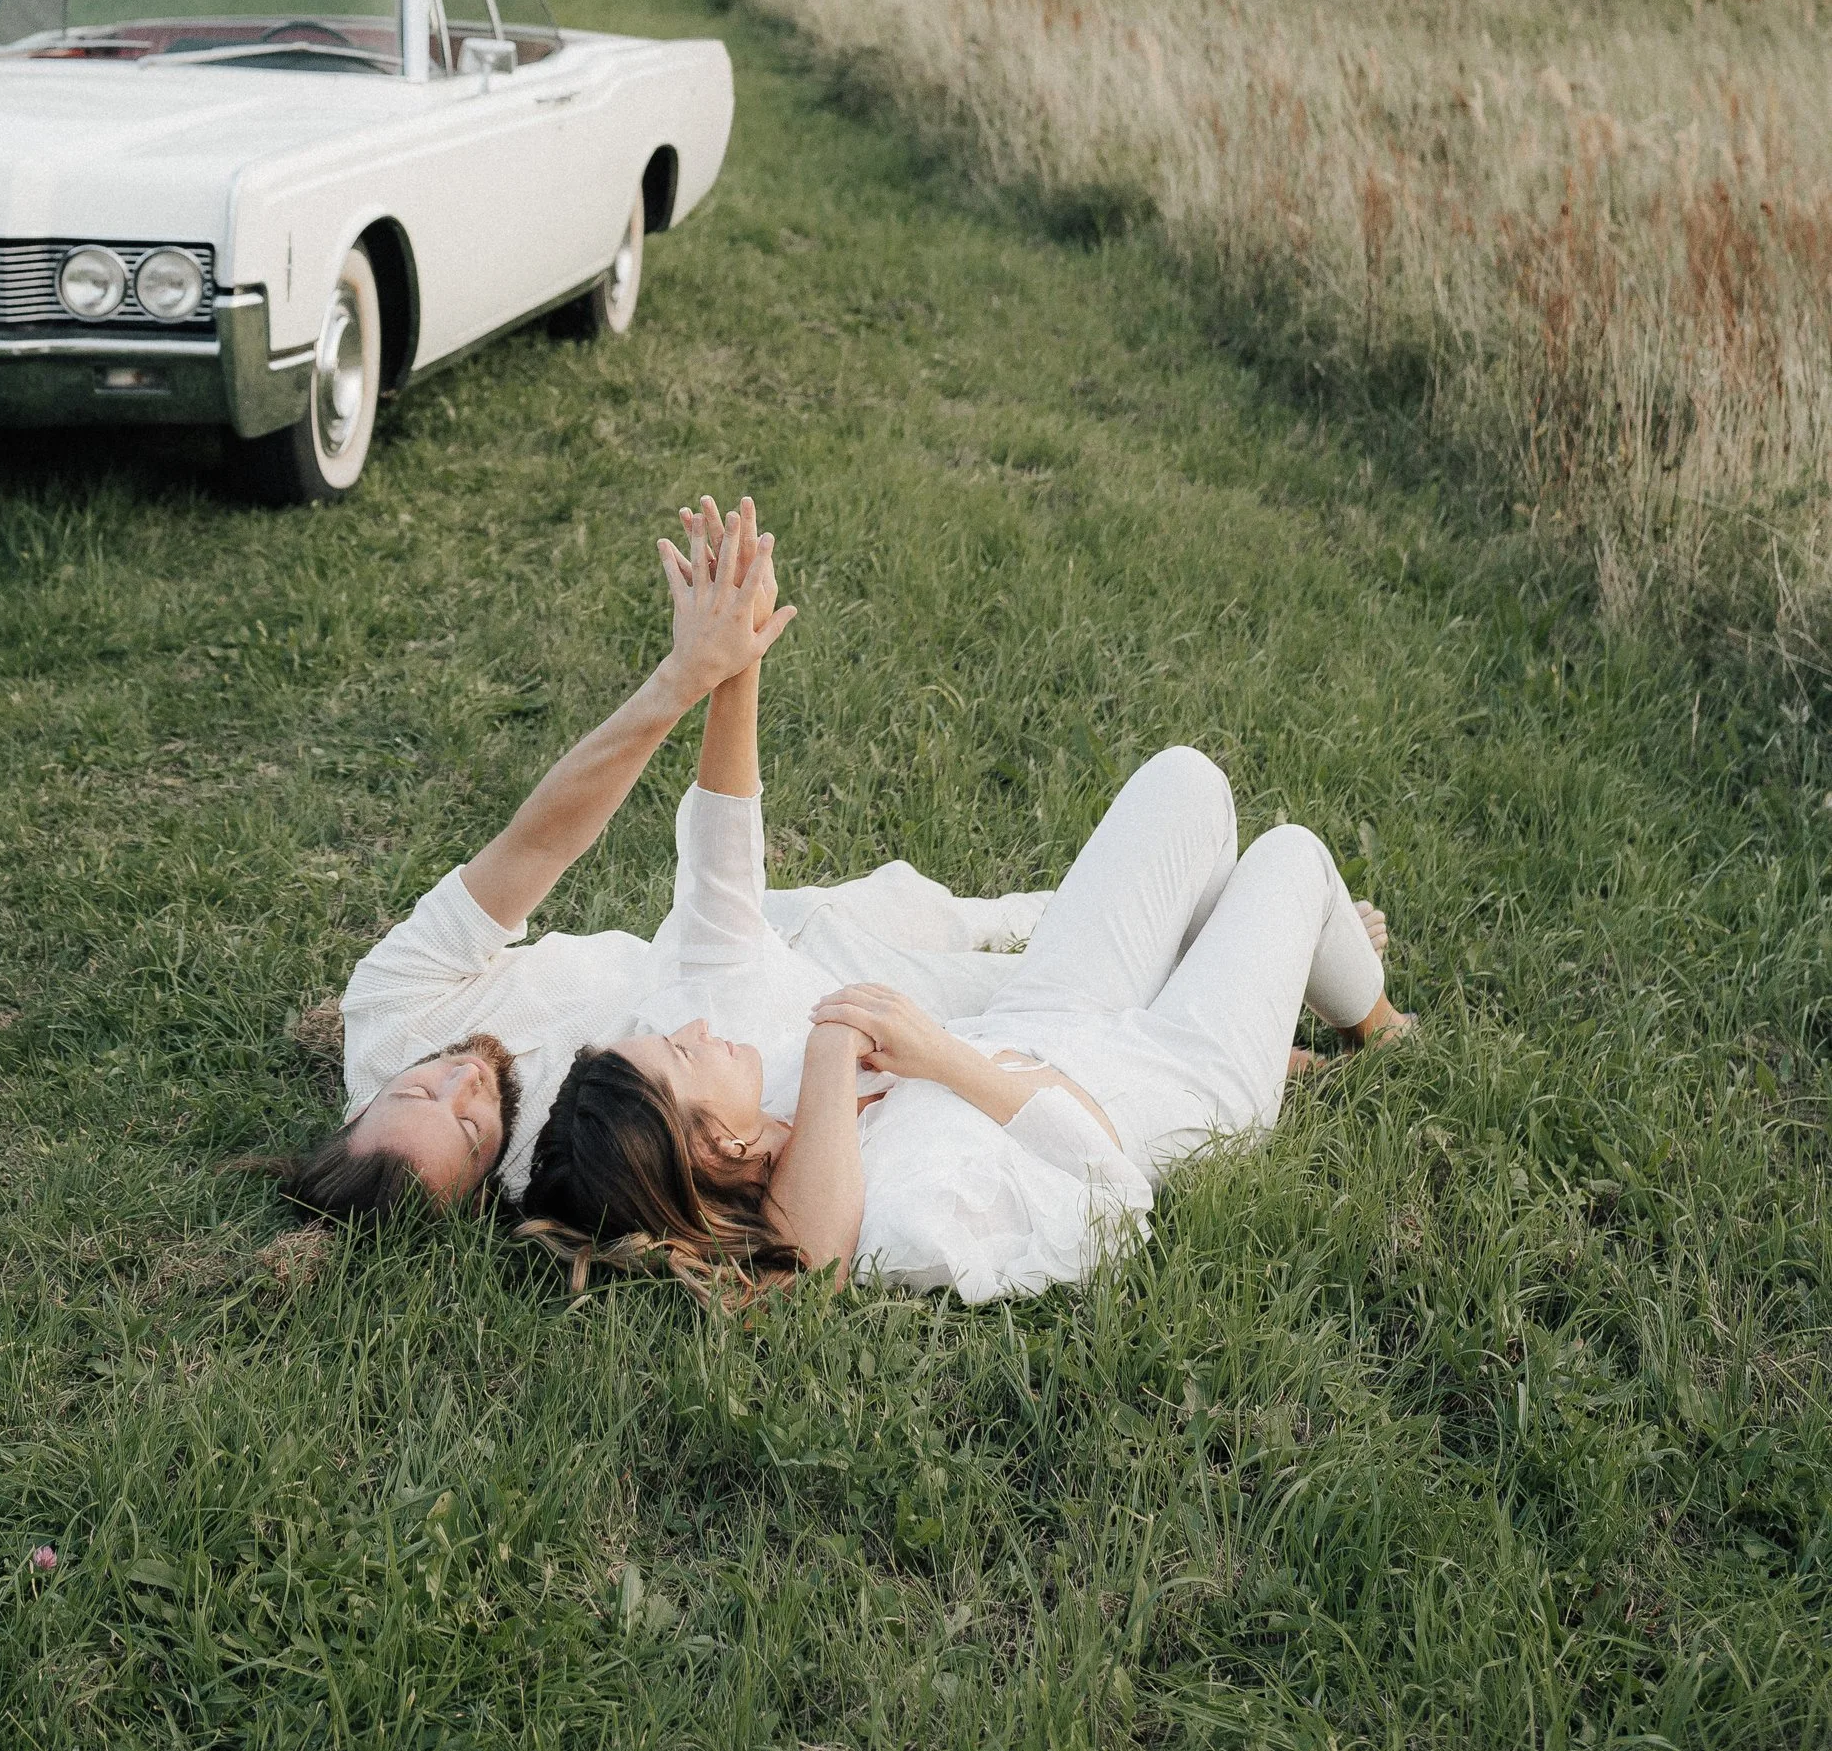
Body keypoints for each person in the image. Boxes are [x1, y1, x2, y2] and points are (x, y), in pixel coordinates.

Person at [522, 511, 1411, 1299]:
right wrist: (937, 1057)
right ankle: (1378, 1029)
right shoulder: (903, 1219)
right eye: (682, 1051)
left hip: (1053, 1009)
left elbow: (720, 872)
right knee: (1289, 858)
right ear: (713, 1146)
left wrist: (734, 664)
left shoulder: (775, 1104)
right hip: (1174, 1086)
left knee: (1187, 779)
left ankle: (1243, 977)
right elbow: (1111, 1189)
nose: (699, 1027)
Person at [278, 498, 1058, 1222]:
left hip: (733, 933)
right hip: (781, 1033)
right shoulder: (555, 1169)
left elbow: (538, 844)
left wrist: (697, 674)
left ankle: (1009, 914)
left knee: (923, 908)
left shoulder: (386, 1010)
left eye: (418, 1090)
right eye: (471, 1129)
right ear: (482, 1188)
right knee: (1037, 992)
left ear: (360, 1108)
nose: (463, 1082)